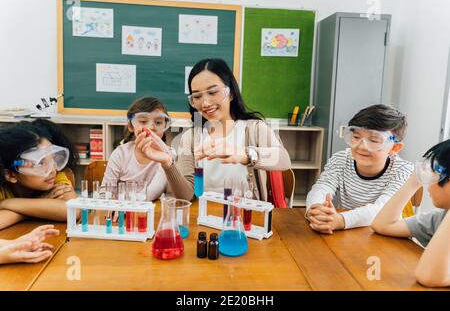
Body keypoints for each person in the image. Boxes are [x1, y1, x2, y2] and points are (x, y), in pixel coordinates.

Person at [134, 58, 291, 201]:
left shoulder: (253, 129)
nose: (205, 103)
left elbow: (284, 159)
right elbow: (186, 196)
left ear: (231, 93)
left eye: (213, 92)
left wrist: (244, 154)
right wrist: (168, 164)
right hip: (205, 219)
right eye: (197, 96)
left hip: (245, 221)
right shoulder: (191, 137)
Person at [306, 104, 414, 233]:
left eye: (374, 140)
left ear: (394, 148)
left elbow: (382, 209)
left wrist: (340, 220)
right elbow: (321, 188)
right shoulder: (341, 159)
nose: (361, 146)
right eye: (356, 137)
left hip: (385, 236)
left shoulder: (403, 170)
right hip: (347, 233)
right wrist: (316, 211)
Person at [372, 139, 450, 287]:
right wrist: (414, 180)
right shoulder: (441, 218)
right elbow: (383, 225)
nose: (428, 183)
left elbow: (428, 276)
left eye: (434, 174)